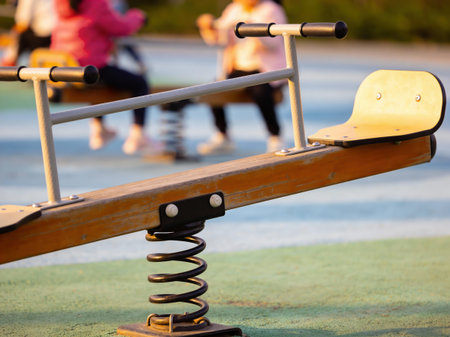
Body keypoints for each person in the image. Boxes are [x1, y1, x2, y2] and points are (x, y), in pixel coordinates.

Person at [51, 0, 160, 155]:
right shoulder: (94, 3)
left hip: (65, 67)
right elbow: (121, 28)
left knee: (97, 81)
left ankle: (99, 129)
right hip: (89, 65)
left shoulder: (61, 3)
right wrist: (138, 16)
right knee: (139, 82)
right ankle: (138, 135)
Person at [196, 0, 287, 155]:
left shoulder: (271, 9)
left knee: (261, 92)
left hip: (265, 68)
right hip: (239, 67)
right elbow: (218, 40)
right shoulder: (234, 9)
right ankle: (222, 135)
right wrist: (207, 27)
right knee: (213, 90)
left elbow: (273, 43)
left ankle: (275, 136)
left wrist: (251, 28)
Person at [0, 0, 55, 66]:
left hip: (43, 35)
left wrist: (9, 39)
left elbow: (23, 24)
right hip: (51, 34)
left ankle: (8, 66)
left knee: (18, 38)